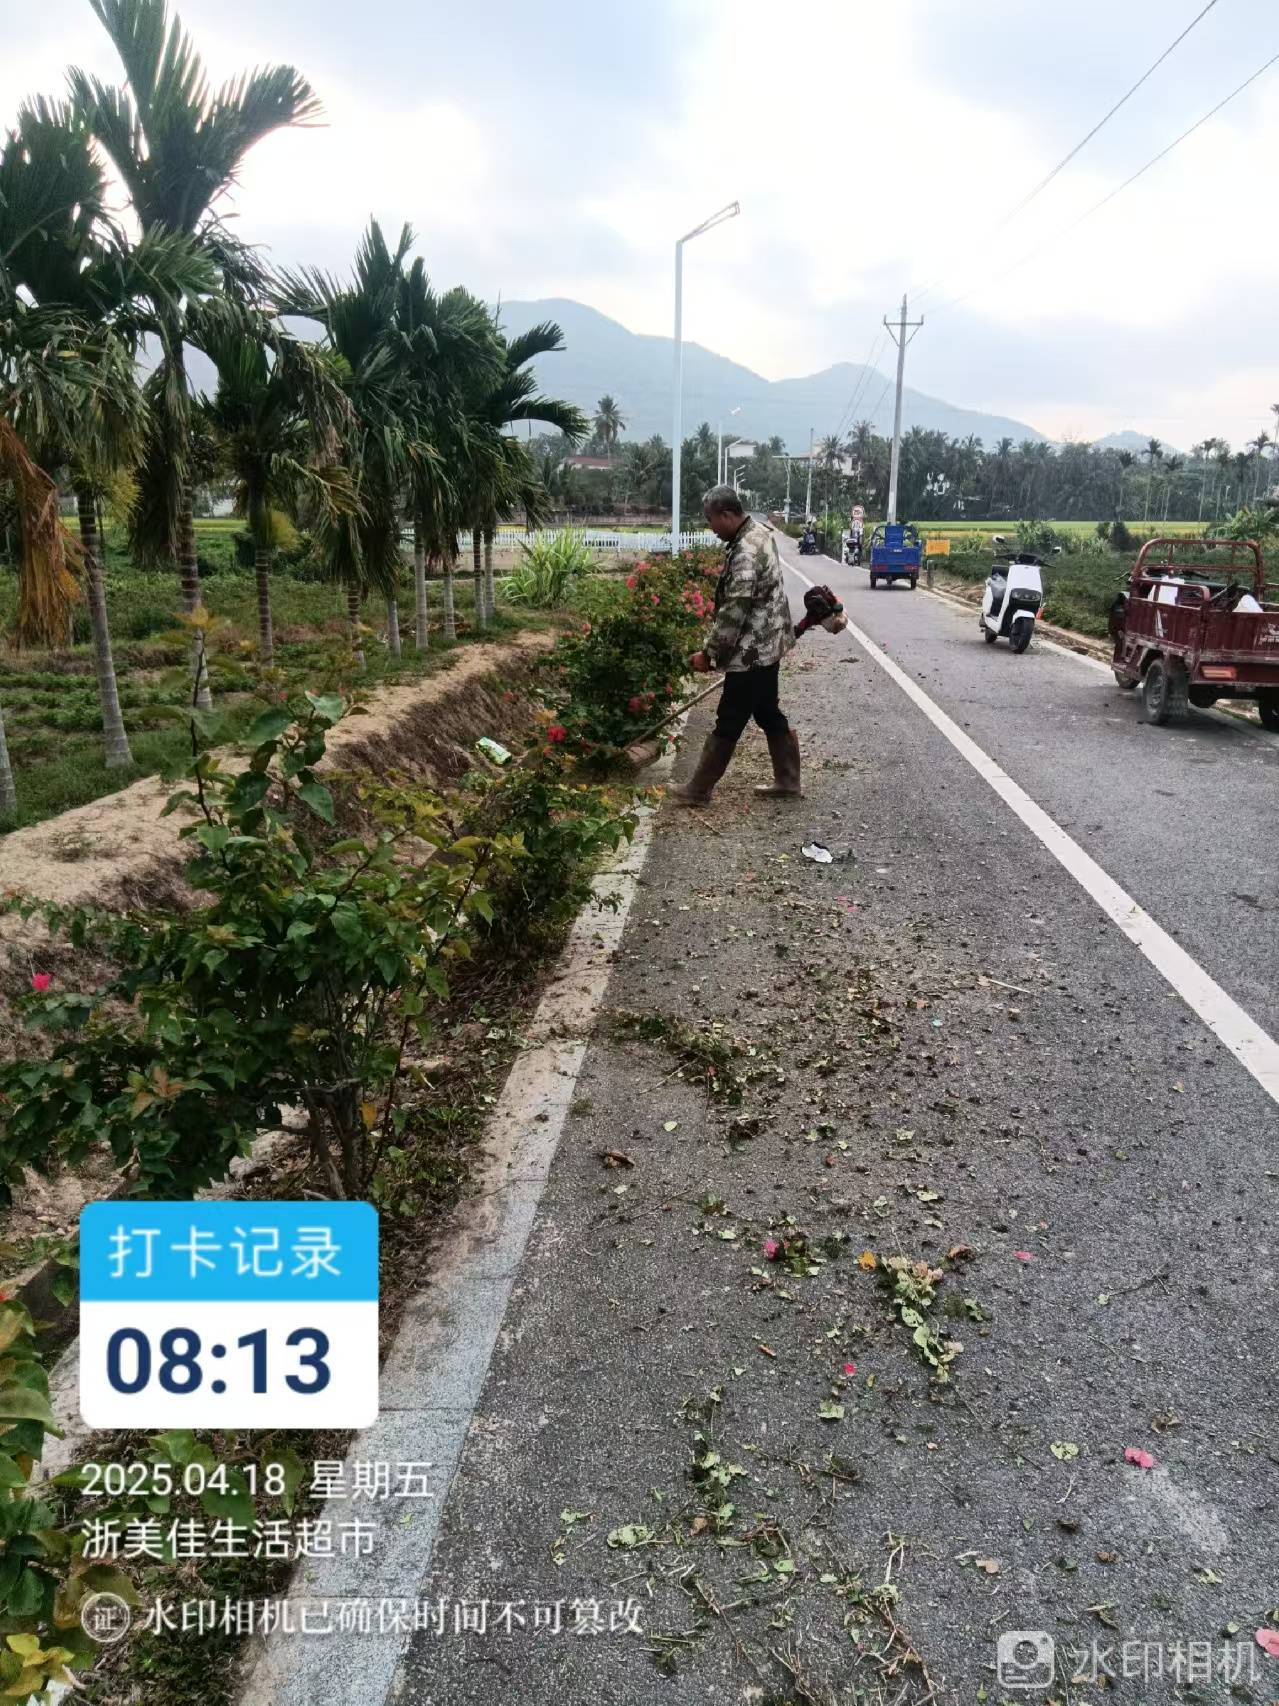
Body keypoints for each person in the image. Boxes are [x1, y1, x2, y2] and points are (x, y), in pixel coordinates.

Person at [669, 486, 800, 806]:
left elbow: (734, 610)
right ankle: (788, 781)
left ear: (726, 515)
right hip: (770, 644)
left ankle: (698, 790)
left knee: (729, 718)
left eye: (710, 519)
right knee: (767, 710)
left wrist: (710, 654)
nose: (710, 528)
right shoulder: (758, 532)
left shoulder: (745, 552)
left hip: (753, 652)